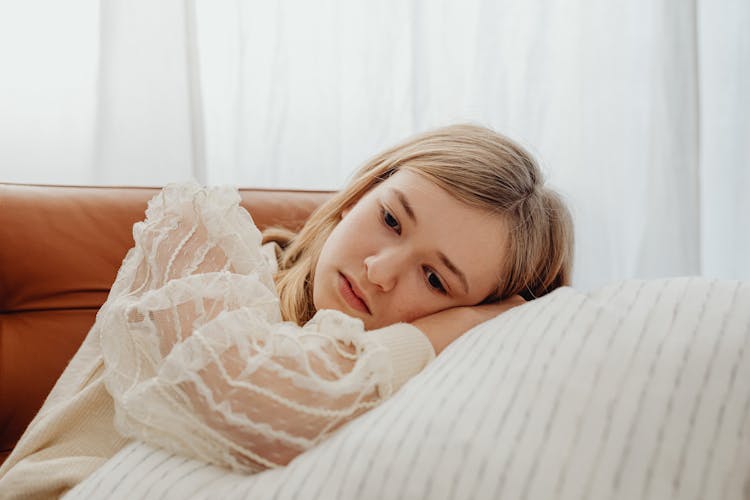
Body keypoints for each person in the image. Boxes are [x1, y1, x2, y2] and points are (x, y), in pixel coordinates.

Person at [0, 124, 573, 497]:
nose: (379, 269)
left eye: (433, 278)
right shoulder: (201, 244)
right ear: (355, 198)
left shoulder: (411, 394)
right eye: (391, 220)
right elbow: (244, 398)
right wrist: (453, 327)